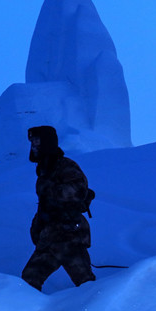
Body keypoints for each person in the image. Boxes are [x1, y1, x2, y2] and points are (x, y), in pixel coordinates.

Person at [20, 125, 96, 291]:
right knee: (29, 280)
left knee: (85, 283)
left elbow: (79, 189)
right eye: (32, 141)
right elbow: (45, 204)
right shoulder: (44, 170)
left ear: (47, 142)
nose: (34, 145)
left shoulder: (65, 165)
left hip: (70, 236)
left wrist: (53, 193)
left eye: (37, 141)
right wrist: (37, 227)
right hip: (50, 238)